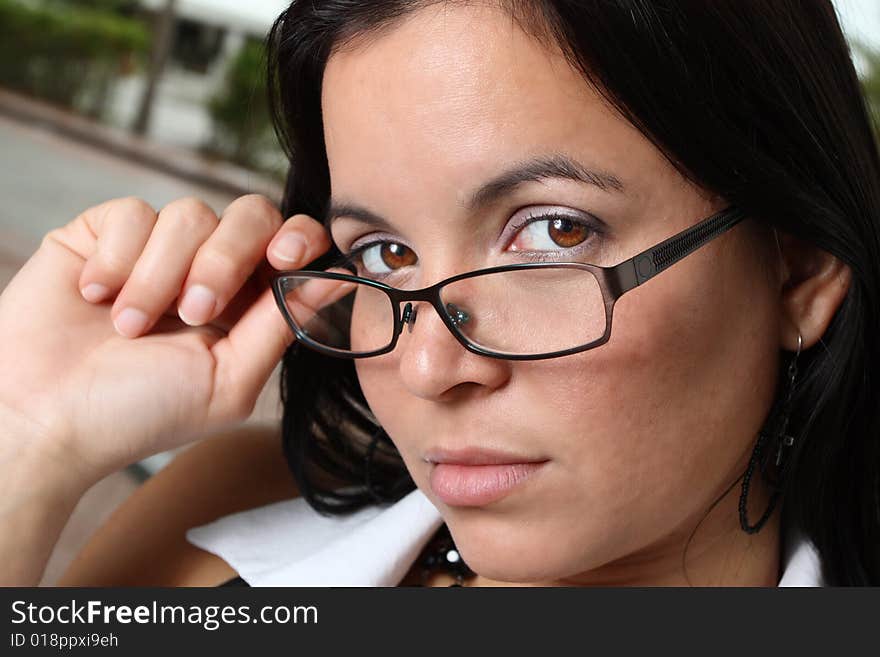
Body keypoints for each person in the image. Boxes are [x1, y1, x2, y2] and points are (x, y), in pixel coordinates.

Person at [1, 0, 878, 587]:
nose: (427, 366)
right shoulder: (218, 521)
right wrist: (28, 436)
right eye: (382, 251)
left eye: (553, 232)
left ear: (796, 271)